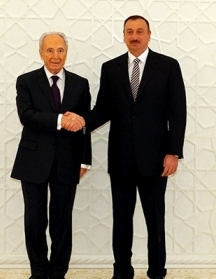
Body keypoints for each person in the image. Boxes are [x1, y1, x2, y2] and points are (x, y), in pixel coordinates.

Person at [87, 15, 187, 279]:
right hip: (120, 159)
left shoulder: (168, 66)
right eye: (129, 31)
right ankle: (122, 271)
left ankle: (157, 272)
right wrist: (79, 121)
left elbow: (178, 113)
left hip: (156, 160)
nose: (135, 36)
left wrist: (173, 152)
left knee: (155, 221)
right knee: (121, 221)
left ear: (149, 34)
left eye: (140, 31)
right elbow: (103, 109)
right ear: (123, 35)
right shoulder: (110, 68)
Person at [11, 32, 91, 279]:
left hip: (68, 161)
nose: (55, 56)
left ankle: (58, 273)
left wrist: (85, 160)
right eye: (50, 50)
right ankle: (38, 272)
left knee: (61, 221)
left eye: (60, 50)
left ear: (66, 53)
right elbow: (26, 116)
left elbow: (84, 125)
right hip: (33, 161)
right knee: (35, 221)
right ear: (41, 53)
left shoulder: (80, 83)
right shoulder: (26, 81)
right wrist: (60, 120)